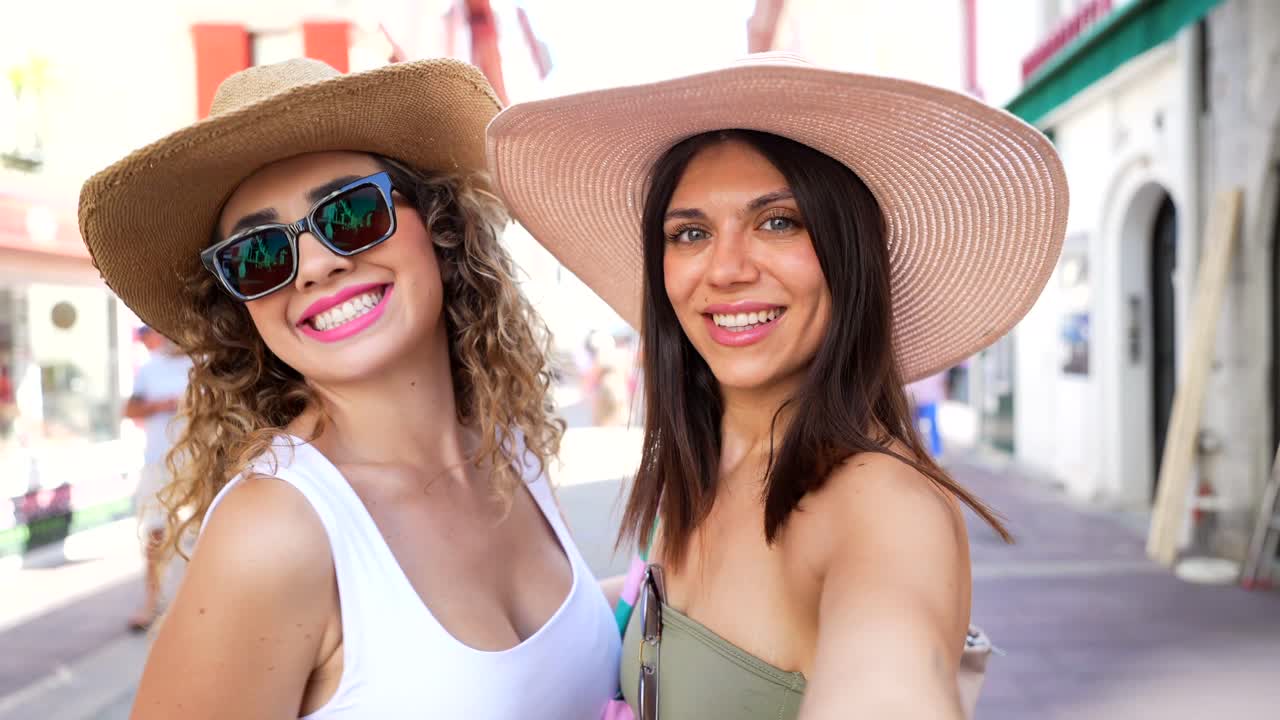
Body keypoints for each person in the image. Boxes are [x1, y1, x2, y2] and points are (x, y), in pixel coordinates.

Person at [488, 53, 1067, 719]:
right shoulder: (704, 470)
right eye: (691, 232)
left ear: (849, 253)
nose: (727, 268)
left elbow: (889, 680)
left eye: (778, 221)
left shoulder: (883, 507)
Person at [78, 58, 618, 719]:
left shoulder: (510, 450)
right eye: (259, 255)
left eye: (352, 213)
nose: (315, 264)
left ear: (440, 228)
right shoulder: (277, 531)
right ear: (238, 306)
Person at [123, 326, 192, 631]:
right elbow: (129, 409)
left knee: (204, 533)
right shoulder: (151, 367)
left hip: (199, 463)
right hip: (159, 464)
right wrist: (162, 405)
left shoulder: (206, 364)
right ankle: (152, 600)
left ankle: (198, 601)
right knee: (155, 533)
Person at [907, 370, 949, 457]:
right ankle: (920, 449)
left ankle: (933, 452)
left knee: (929, 426)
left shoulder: (937, 370)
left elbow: (943, 382)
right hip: (920, 399)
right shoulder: (936, 370)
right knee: (917, 426)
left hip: (927, 398)